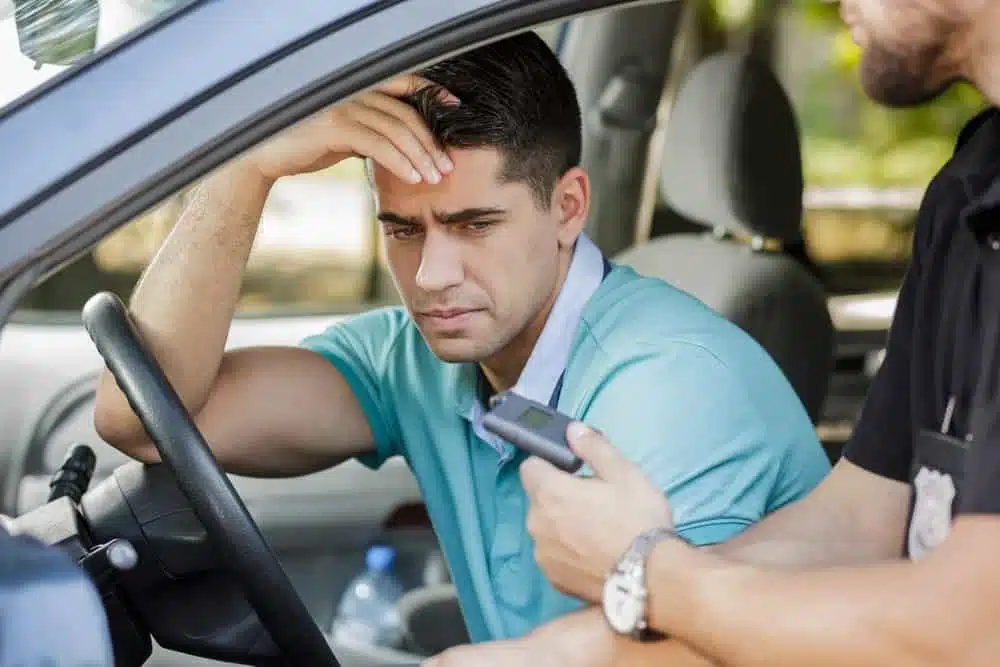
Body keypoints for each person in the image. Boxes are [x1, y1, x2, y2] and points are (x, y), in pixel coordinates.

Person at [93, 31, 829, 644]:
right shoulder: (417, 358)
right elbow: (145, 420)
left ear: (568, 207)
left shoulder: (677, 386)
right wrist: (245, 168)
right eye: (403, 229)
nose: (432, 276)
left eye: (474, 224)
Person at [422, 1, 1000, 665]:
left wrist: (648, 569)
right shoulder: (970, 191)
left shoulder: (679, 370)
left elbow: (973, 633)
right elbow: (861, 518)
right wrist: (549, 653)